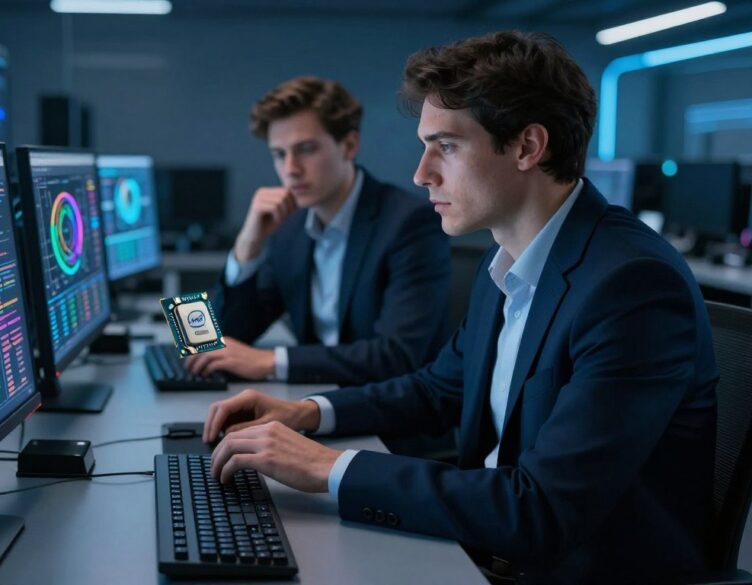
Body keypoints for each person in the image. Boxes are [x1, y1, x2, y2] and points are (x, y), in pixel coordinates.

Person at [201, 32, 718, 584]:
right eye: (278, 154)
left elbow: (542, 510)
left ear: (527, 147)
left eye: (445, 146)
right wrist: (306, 410)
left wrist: (322, 463)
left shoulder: (631, 284)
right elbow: (436, 386)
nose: (421, 173)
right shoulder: (505, 260)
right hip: (483, 537)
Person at [185, 76, 450, 385]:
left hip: (389, 421)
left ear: (349, 145)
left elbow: (398, 356)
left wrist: (271, 361)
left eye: (306, 149)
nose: (291, 169)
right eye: (279, 154)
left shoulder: (409, 223)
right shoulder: (291, 227)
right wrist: (247, 246)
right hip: (312, 401)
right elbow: (209, 342)